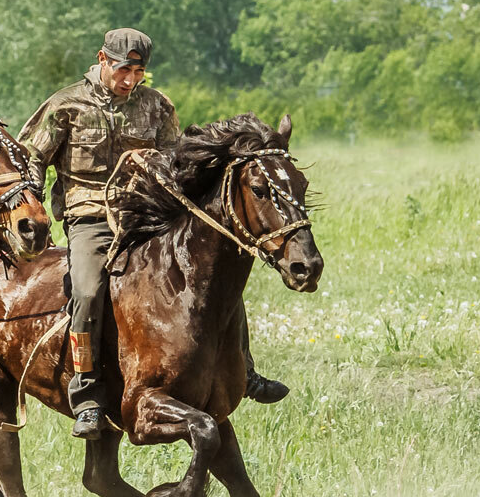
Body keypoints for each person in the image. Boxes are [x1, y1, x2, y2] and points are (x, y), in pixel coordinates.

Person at [19, 28, 288, 441]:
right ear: (102, 60)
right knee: (88, 290)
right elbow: (30, 158)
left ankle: (244, 370)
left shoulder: (158, 106)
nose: (129, 79)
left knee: (217, 269)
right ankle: (87, 395)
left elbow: (177, 160)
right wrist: (32, 205)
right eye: (123, 69)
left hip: (146, 212)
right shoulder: (64, 105)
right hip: (89, 216)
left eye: (138, 71)